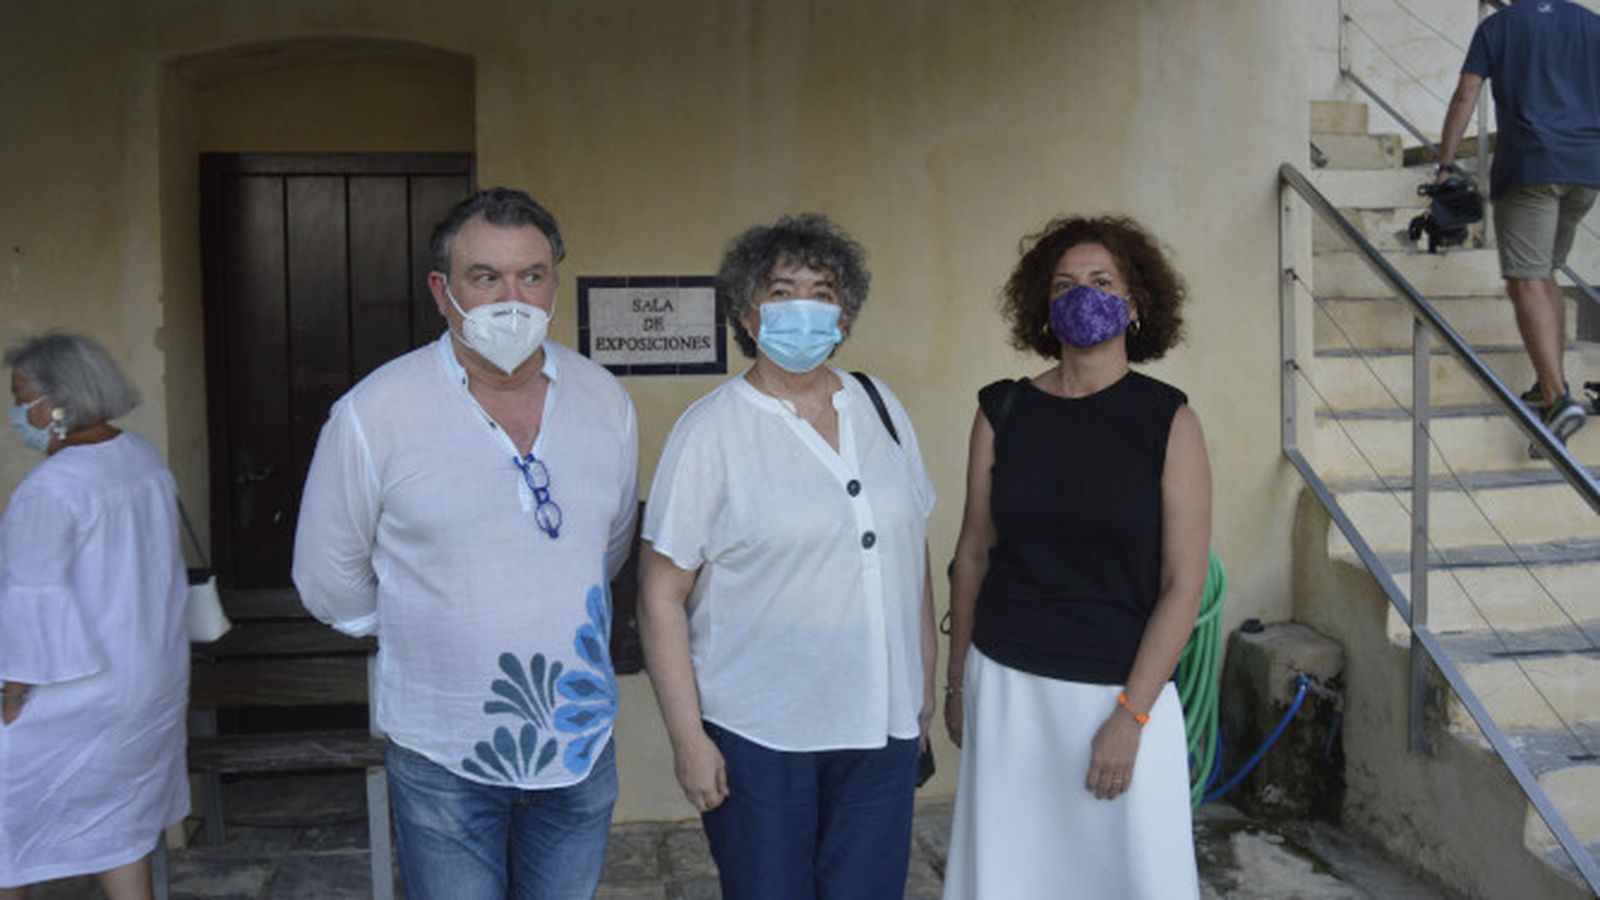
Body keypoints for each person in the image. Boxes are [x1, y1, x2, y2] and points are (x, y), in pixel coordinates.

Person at [292, 188, 638, 900]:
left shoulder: (605, 400)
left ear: (553, 284)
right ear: (442, 290)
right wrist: (434, 627)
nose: (512, 298)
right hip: (442, 746)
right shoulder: (375, 413)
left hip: (579, 744)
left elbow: (605, 550)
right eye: (485, 277)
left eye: (532, 276)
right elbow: (329, 575)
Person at [638, 214, 936, 899]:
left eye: (823, 290)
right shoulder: (710, 431)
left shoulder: (881, 405)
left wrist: (920, 689)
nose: (804, 305)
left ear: (845, 312)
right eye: (782, 290)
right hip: (760, 733)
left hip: (879, 725)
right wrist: (690, 741)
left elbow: (908, 551)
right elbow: (659, 595)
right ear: (748, 311)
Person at [941, 216, 1212, 898]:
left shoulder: (1169, 421)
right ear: (1042, 304)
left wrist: (1132, 715)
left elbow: (1184, 585)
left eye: (1100, 281)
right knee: (1013, 877)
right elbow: (971, 555)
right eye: (1064, 284)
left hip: (1119, 693)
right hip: (1006, 687)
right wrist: (955, 685)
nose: (1080, 295)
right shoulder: (1001, 411)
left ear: (1136, 303)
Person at [1, 333, 189, 900]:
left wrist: (10, 696)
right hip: (148, 689)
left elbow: (31, 606)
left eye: (20, 398)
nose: (15, 414)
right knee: (121, 831)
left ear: (58, 404)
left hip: (80, 697)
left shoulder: (51, 488)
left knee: (8, 825)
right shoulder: (140, 457)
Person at [1435, 0, 1600, 445]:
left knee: (1525, 281)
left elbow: (1466, 93)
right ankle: (1551, 381)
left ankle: (1556, 398)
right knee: (1544, 277)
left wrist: (1446, 164)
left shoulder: (1499, 27)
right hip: (1586, 170)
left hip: (1530, 166)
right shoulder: (1592, 25)